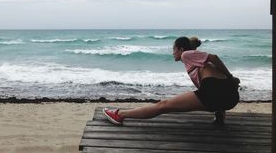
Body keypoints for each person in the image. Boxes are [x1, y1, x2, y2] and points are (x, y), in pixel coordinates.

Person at [103, 36, 240, 126]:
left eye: (173, 49)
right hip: (230, 99)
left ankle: (119, 115)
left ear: (181, 49)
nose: (172, 53)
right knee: (166, 105)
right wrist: (220, 112)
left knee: (163, 105)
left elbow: (214, 57)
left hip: (216, 91)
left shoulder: (186, 55)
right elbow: (210, 88)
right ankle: (220, 117)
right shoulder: (195, 64)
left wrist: (230, 76)